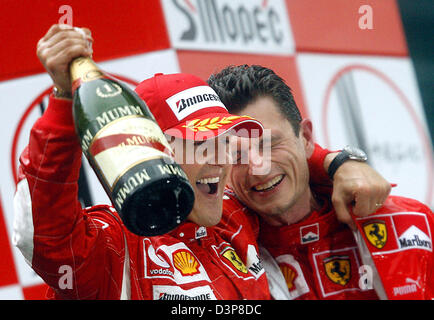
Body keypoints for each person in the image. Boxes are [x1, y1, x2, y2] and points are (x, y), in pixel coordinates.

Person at [13, 24, 391, 300]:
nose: (219, 158)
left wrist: (340, 163)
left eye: (223, 140)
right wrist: (65, 99)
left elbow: (285, 175)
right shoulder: (115, 245)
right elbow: (45, 233)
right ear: (152, 151)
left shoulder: (233, 216)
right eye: (197, 145)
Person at [207, 64, 434, 299]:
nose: (258, 169)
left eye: (270, 144)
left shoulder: (412, 222)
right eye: (237, 155)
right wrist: (333, 162)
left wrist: (335, 162)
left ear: (305, 137)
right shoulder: (220, 250)